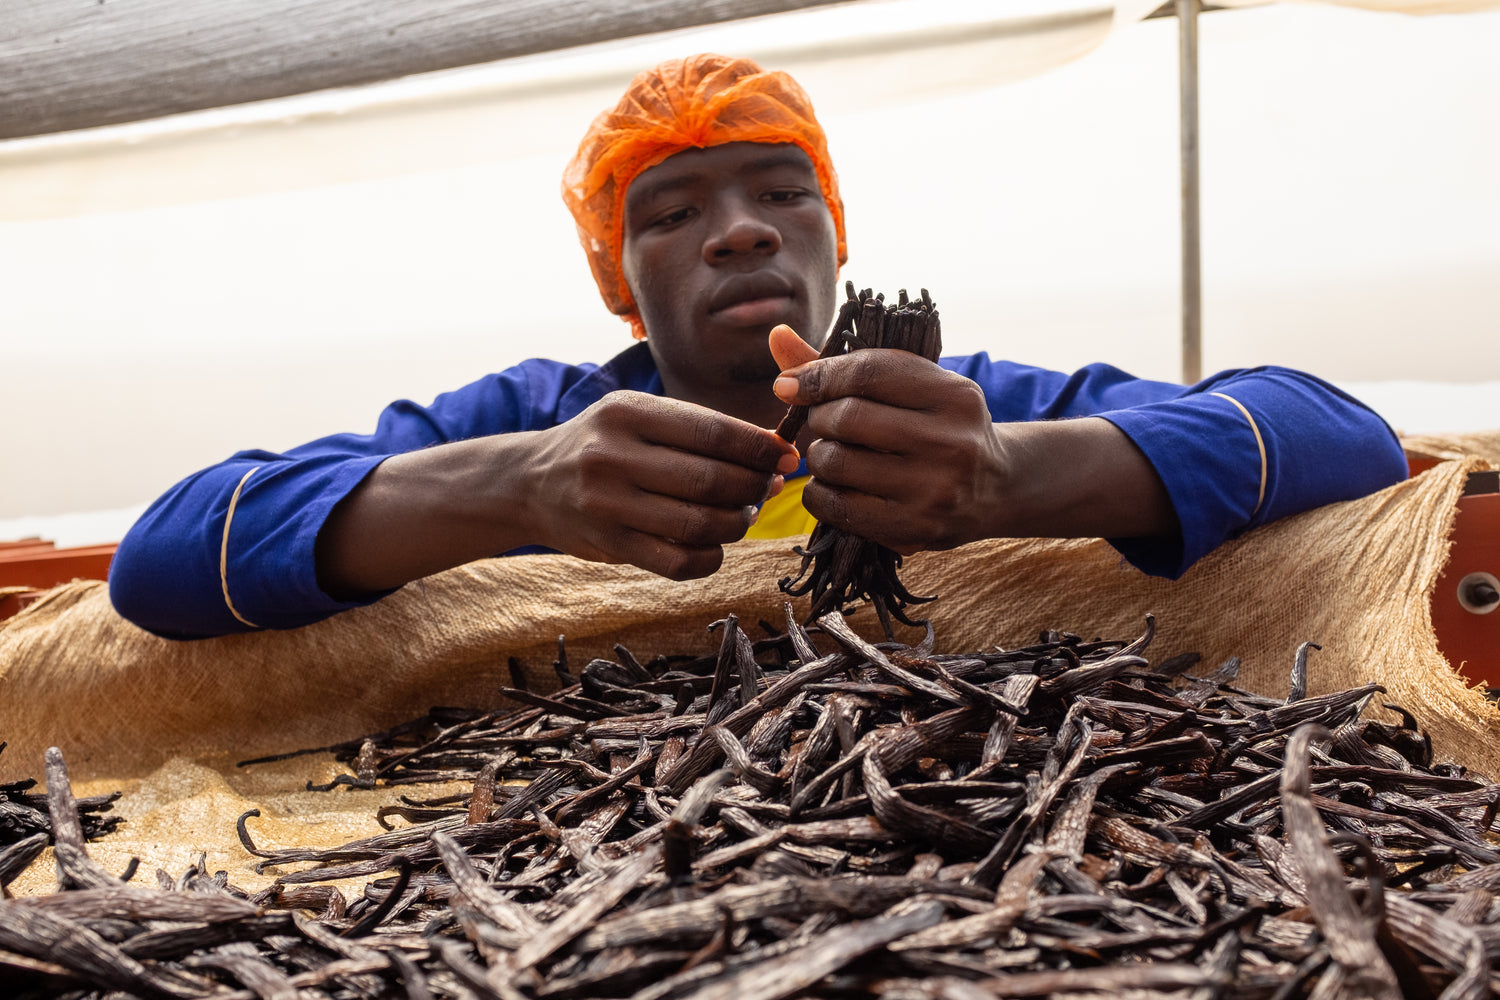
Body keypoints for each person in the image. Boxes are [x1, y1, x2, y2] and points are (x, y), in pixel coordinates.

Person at [108, 54, 1408, 640]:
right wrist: (505, 488)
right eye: (671, 212)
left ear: (836, 234)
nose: (737, 233)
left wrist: (1023, 477)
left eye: (780, 193)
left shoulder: (977, 409)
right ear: (616, 269)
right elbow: (167, 559)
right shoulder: (529, 419)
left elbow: (1344, 440)